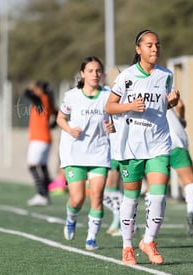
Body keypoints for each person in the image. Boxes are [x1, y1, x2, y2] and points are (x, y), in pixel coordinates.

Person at [105, 29, 180, 265]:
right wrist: (129, 106)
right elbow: (110, 106)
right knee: (132, 198)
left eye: (157, 44)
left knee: (158, 196)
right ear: (139, 49)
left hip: (158, 143)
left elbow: (160, 108)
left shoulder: (166, 75)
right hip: (131, 146)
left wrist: (172, 103)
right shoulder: (126, 77)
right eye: (149, 45)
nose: (155, 49)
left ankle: (148, 241)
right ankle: (127, 246)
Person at [57, 56, 113, 251]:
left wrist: (112, 126)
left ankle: (91, 238)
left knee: (97, 196)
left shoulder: (108, 95)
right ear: (83, 74)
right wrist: (70, 130)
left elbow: (116, 121)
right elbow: (60, 118)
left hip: (99, 153)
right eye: (90, 71)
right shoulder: (72, 95)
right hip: (75, 154)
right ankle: (71, 218)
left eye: (98, 71)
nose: (95, 74)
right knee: (78, 198)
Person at [145, 98, 193, 238]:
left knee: (154, 185)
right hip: (176, 139)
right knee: (189, 181)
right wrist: (181, 118)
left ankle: (150, 220)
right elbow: (180, 104)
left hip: (156, 141)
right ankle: (191, 212)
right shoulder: (165, 81)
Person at [24, 80, 57, 206]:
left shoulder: (42, 99)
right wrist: (51, 126)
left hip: (39, 139)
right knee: (42, 166)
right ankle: (46, 194)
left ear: (41, 90)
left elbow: (27, 94)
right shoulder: (48, 101)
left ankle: (42, 194)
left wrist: (30, 87)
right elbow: (58, 113)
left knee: (32, 166)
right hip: (45, 138)